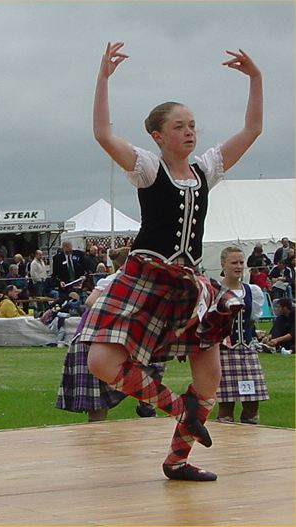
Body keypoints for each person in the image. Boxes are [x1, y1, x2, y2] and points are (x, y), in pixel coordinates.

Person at [84, 41, 262, 481]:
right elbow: (104, 134)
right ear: (158, 136)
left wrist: (256, 79)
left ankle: (177, 460)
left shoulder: (206, 170)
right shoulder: (147, 168)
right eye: (179, 126)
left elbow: (252, 129)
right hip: (145, 276)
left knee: (210, 380)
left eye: (193, 125)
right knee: (101, 363)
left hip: (190, 284)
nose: (190, 132)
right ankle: (177, 408)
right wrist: (103, 78)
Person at [57, 247, 163, 421]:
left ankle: (145, 405)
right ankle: (145, 406)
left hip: (103, 340)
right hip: (93, 340)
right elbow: (91, 302)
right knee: (152, 364)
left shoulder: (126, 280)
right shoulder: (116, 280)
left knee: (152, 364)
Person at [215, 246, 268, 425]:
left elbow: (252, 319)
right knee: (226, 409)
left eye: (241, 263)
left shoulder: (251, 291)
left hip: (247, 351)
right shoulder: (215, 291)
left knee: (252, 405)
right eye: (234, 263)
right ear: (223, 264)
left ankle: (250, 441)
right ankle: (228, 445)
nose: (238, 266)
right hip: (224, 352)